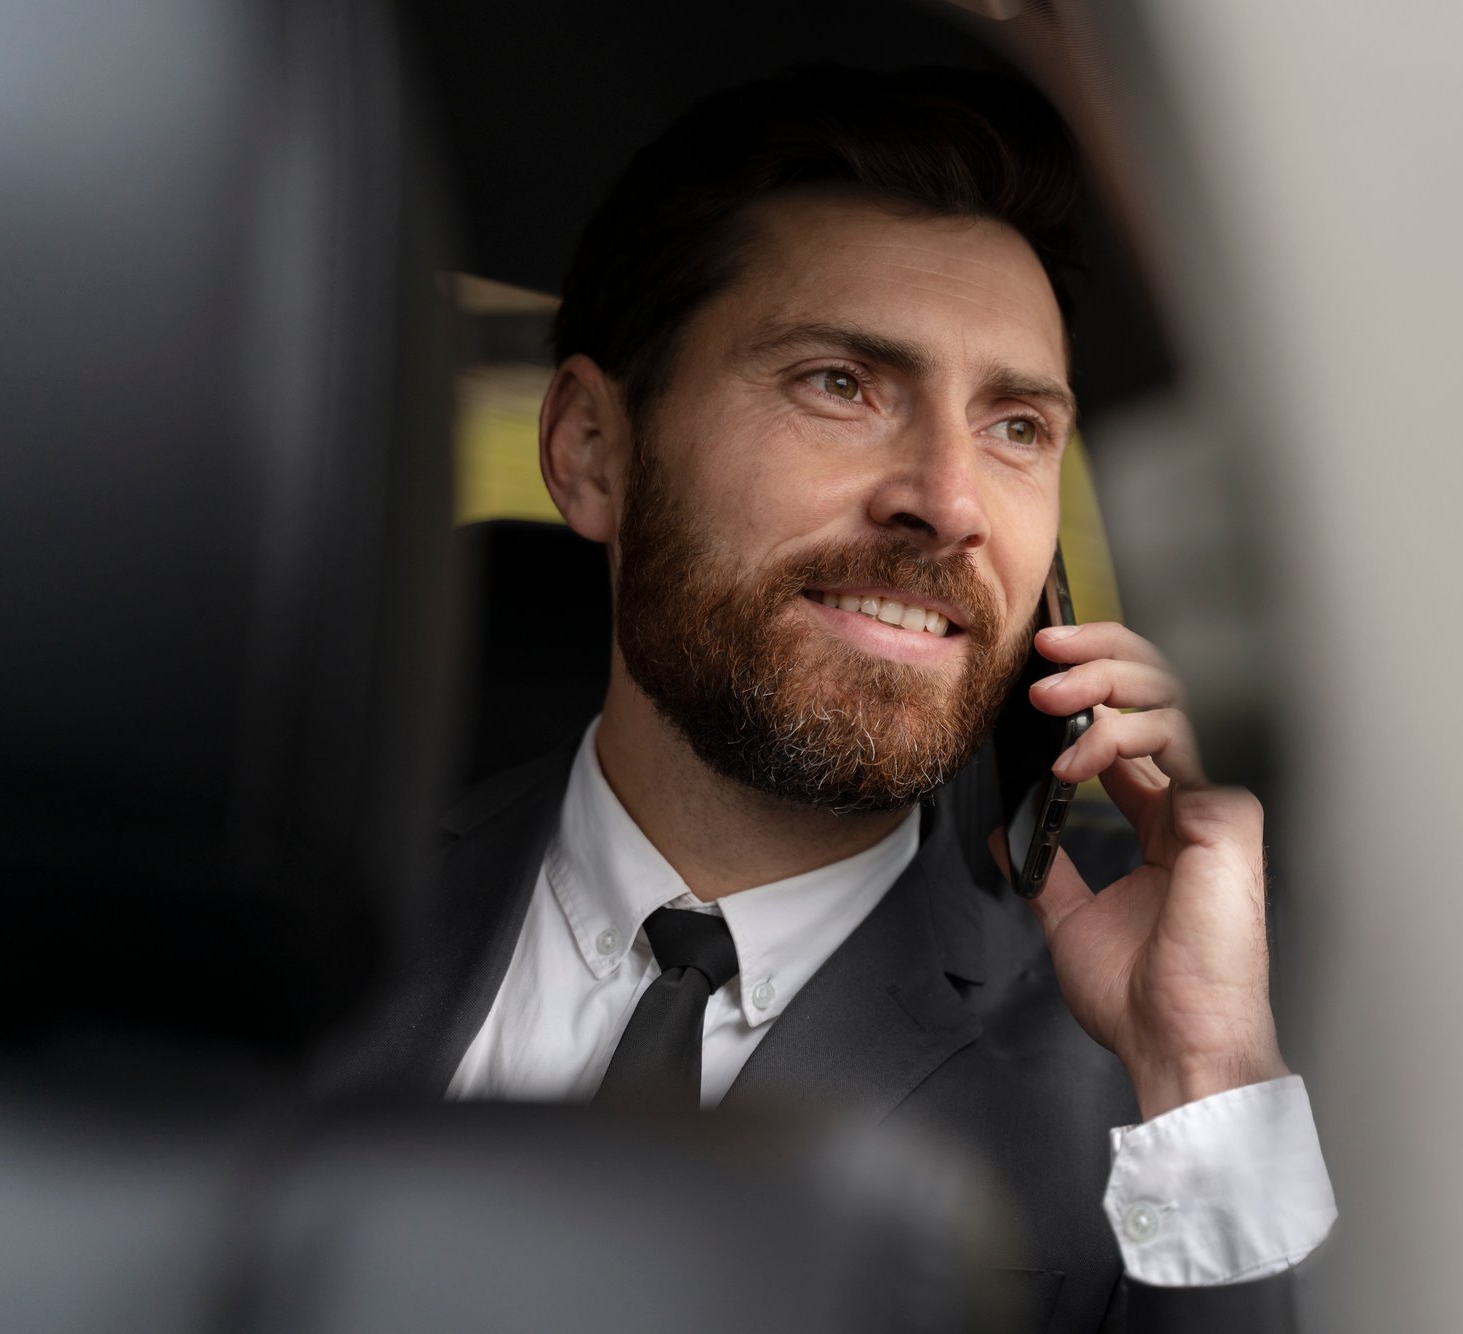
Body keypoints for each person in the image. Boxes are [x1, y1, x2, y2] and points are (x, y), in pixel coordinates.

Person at [329, 65, 1333, 1332]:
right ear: (591, 448)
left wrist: (1197, 1074)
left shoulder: (1199, 1027)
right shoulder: (295, 919)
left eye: (1017, 425)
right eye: (842, 384)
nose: (950, 502)